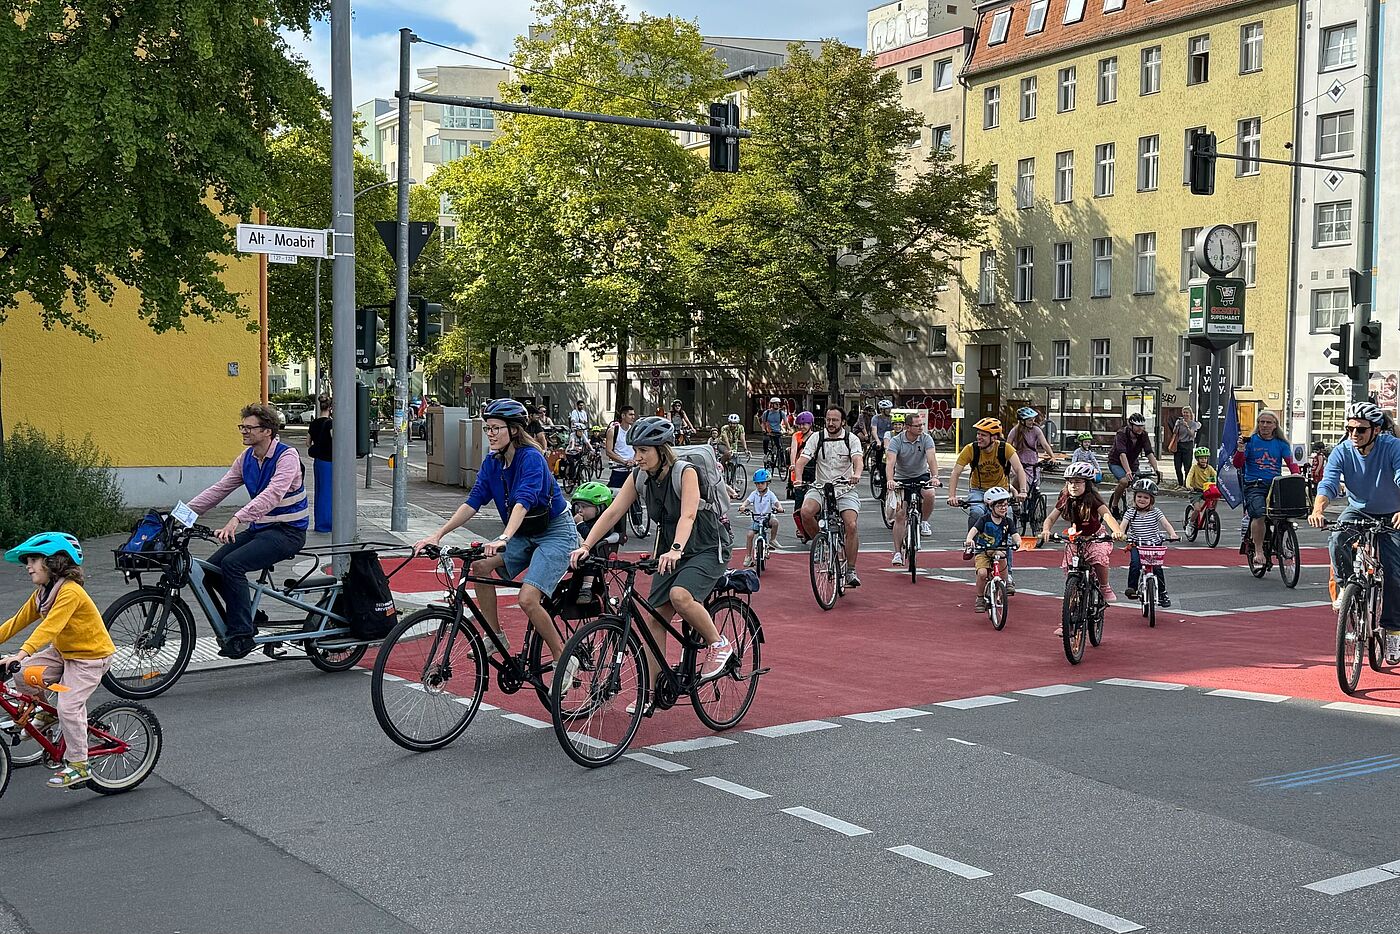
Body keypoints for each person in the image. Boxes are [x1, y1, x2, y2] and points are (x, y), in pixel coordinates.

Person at [413, 399, 579, 688]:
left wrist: (504, 537)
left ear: (513, 430)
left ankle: (564, 658)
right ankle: (495, 636)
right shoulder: (492, 462)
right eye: (487, 428)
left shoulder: (532, 458)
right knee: (479, 565)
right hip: (522, 532)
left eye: (495, 428)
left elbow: (523, 500)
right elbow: (473, 501)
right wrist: (438, 534)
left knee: (527, 598)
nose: (489, 433)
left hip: (555, 531)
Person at [571, 416, 734, 704]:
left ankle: (718, 644)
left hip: (706, 545)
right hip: (670, 549)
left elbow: (689, 515)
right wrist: (586, 544)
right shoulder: (640, 477)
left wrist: (676, 549)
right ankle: (652, 693)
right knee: (655, 619)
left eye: (644, 450)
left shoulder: (685, 472)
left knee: (680, 596)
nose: (637, 457)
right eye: (635, 450)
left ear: (662, 449)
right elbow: (612, 513)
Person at [187, 403, 308, 659]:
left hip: (287, 532)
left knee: (232, 564)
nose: (243, 431)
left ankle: (242, 634)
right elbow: (219, 489)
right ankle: (248, 616)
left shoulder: (287, 457)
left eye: (249, 427)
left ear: (267, 431)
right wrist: (181, 515)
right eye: (242, 426)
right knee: (209, 571)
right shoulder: (247, 459)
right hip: (261, 529)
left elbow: (273, 494)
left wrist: (236, 519)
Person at [0, 533, 115, 789]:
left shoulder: (70, 592)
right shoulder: (42, 593)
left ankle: (79, 765)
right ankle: (44, 712)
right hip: (64, 653)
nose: (28, 566)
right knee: (23, 674)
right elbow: (15, 622)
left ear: (53, 562)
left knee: (68, 706)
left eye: (33, 560)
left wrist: (20, 654)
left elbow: (49, 628)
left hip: (90, 658)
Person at [1310, 403, 1400, 656]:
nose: (1354, 434)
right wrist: (1318, 510)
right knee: (1337, 538)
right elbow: (1328, 484)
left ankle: (1393, 631)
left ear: (1376, 430)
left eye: (1360, 429)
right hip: (1358, 509)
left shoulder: (1392, 447)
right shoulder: (1341, 451)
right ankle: (1346, 588)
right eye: (1349, 428)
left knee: (1395, 571)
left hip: (1393, 512)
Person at [1041, 461, 1126, 634]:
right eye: (1070, 481)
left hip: (1095, 537)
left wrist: (1117, 531)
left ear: (1087, 484)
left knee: (1098, 557)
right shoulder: (1065, 498)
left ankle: (1104, 586)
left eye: (1078, 482)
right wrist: (1045, 530)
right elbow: (1050, 518)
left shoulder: (1093, 499)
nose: (1073, 485)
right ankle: (1068, 622)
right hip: (1075, 538)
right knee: (1072, 578)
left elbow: (1107, 516)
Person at [792, 405, 865, 588]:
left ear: (843, 422)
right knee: (806, 512)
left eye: (835, 420)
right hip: (820, 487)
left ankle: (850, 570)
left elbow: (858, 460)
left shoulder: (851, 439)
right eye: (828, 420)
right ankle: (823, 543)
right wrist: (798, 479)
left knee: (851, 524)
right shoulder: (817, 438)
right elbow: (802, 460)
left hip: (844, 489)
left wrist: (856, 474)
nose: (831, 423)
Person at [1233, 409, 1299, 566]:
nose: (1264, 425)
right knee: (1259, 514)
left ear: (1275, 425)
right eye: (1261, 422)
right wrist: (1240, 450)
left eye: (1268, 422)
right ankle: (1259, 551)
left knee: (1286, 512)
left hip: (1274, 484)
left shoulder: (1281, 444)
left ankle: (1284, 538)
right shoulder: (1250, 442)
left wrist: (1296, 474)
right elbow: (1237, 464)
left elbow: (1291, 463)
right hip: (1254, 485)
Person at [885, 410, 942, 567]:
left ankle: (924, 521)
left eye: (922, 425)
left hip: (921, 475)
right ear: (907, 427)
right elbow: (890, 462)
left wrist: (935, 476)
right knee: (900, 514)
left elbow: (931, 458)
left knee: (930, 493)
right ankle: (897, 553)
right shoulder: (897, 441)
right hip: (901, 478)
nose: (921, 428)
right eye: (917, 426)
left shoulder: (926, 439)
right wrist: (890, 480)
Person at [1120, 479, 1178, 607]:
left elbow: (1165, 524)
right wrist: (1121, 534)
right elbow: (1123, 526)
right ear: (1134, 497)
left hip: (1154, 545)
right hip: (1137, 544)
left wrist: (1172, 534)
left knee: (1157, 568)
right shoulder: (1130, 512)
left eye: (1146, 497)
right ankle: (1132, 588)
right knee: (1135, 564)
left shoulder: (1156, 512)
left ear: (1151, 500)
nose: (1142, 499)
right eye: (1139, 496)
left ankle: (1162, 593)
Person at [962, 488, 1018, 611]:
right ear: (991, 506)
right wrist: (969, 539)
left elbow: (1014, 534)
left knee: (1002, 564)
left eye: (1005, 505)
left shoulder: (1007, 521)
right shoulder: (984, 519)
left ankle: (1002, 585)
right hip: (983, 551)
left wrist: (1018, 542)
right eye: (1000, 505)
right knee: (982, 573)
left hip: (999, 549)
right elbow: (974, 530)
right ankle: (980, 597)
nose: (1003, 508)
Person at [1108, 413, 1161, 507]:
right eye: (1137, 426)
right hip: (1116, 462)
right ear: (1130, 425)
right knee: (1124, 481)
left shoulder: (1143, 435)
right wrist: (1128, 471)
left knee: (1139, 484)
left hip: (1133, 463)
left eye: (1142, 426)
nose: (1140, 428)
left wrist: (1156, 469)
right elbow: (1122, 454)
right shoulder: (1121, 434)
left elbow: (1149, 453)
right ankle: (1114, 505)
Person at [739, 468, 783, 566]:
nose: (759, 485)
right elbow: (748, 501)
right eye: (757, 483)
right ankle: (748, 556)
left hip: (767, 518)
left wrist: (779, 507)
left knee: (775, 522)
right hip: (756, 519)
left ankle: (772, 539)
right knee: (750, 535)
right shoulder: (754, 494)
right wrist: (743, 506)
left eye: (762, 483)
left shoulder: (770, 494)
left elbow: (776, 502)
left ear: (767, 483)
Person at [1008, 407, 1055, 493]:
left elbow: (1044, 444)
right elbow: (1008, 446)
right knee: (1023, 487)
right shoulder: (1015, 431)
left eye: (1033, 419)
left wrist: (1052, 457)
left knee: (1034, 489)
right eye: (1029, 420)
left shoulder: (1036, 430)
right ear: (1022, 421)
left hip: (1033, 463)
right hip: (1019, 464)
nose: (1032, 422)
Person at [307, 395, 333, 534]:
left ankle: (319, 523)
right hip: (329, 460)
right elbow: (335, 439)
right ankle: (327, 523)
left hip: (318, 461)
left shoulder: (314, 423)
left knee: (320, 491)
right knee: (328, 493)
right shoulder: (330, 423)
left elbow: (307, 442)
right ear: (330, 408)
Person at [1184, 446, 1220, 532]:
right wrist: (1188, 485)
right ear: (1197, 459)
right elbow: (1189, 476)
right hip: (1195, 492)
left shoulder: (1209, 468)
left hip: (1206, 491)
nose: (1203, 460)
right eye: (1201, 458)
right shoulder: (1195, 468)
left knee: (1216, 498)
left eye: (1205, 458)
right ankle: (1190, 524)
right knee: (1197, 509)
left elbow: (1216, 475)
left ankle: (1211, 513)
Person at [605, 406, 639, 490]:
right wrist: (624, 462)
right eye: (630, 414)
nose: (633, 417)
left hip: (632, 471)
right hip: (618, 471)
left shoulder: (635, 431)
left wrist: (633, 461)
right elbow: (609, 452)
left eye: (633, 414)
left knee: (634, 498)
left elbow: (638, 449)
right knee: (615, 497)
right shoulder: (613, 431)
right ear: (623, 416)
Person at [1171, 407, 1202, 487]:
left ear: (1190, 414)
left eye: (1187, 413)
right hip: (1179, 445)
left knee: (1187, 467)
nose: (1185, 414)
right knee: (1177, 466)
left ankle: (1186, 484)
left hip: (1188, 445)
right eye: (1184, 412)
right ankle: (1180, 483)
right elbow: (1174, 432)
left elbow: (1192, 435)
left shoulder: (1193, 424)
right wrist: (1177, 425)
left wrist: (1187, 426)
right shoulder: (1179, 422)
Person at [758, 397, 787, 466]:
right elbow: (763, 423)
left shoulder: (781, 413)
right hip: (768, 431)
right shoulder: (767, 413)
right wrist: (763, 430)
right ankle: (765, 454)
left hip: (777, 432)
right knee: (766, 440)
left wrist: (788, 429)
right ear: (771, 404)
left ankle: (782, 464)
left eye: (778, 404)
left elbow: (786, 422)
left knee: (780, 447)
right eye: (776, 404)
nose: (778, 405)